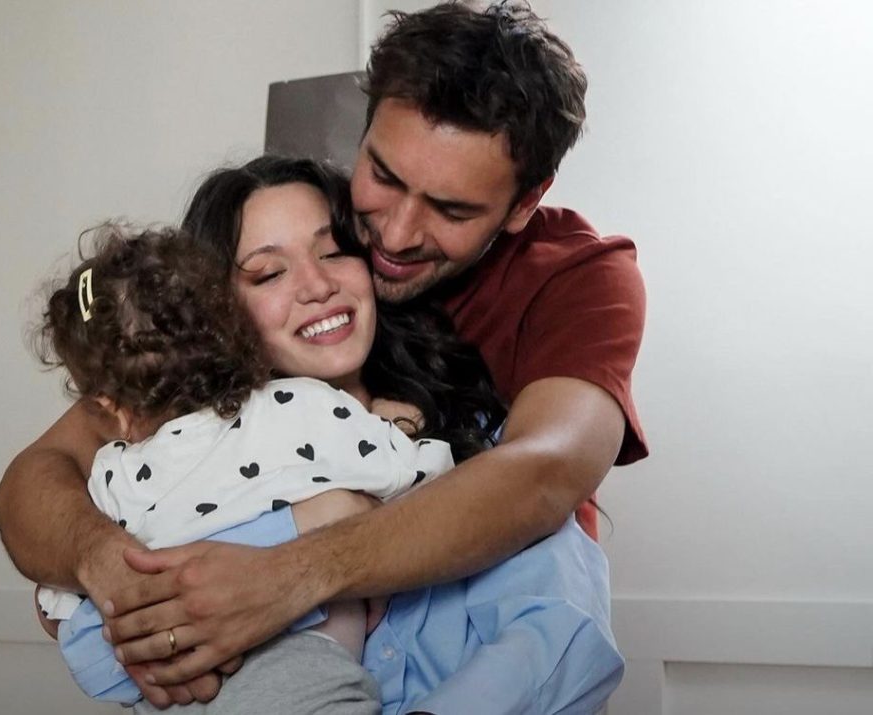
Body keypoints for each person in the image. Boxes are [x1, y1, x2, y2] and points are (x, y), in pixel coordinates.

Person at [0, 2, 646, 705]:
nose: (394, 235)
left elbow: (543, 477)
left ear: (524, 202)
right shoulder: (207, 399)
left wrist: (297, 563)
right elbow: (39, 481)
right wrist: (106, 567)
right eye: (383, 177)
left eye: (451, 210)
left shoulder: (573, 284)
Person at [31, 157, 622, 713]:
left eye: (335, 251)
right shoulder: (171, 461)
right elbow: (76, 614)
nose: (316, 286)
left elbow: (563, 636)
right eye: (268, 273)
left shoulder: (482, 452)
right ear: (212, 313)